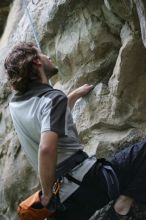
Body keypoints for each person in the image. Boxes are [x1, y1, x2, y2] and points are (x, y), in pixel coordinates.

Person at [4, 42, 146, 220]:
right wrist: (47, 195)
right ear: (36, 62)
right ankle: (122, 207)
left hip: (65, 203)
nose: (48, 57)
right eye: (42, 54)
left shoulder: (16, 105)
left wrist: (70, 97)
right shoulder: (52, 99)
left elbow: (47, 120)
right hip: (89, 183)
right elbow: (47, 148)